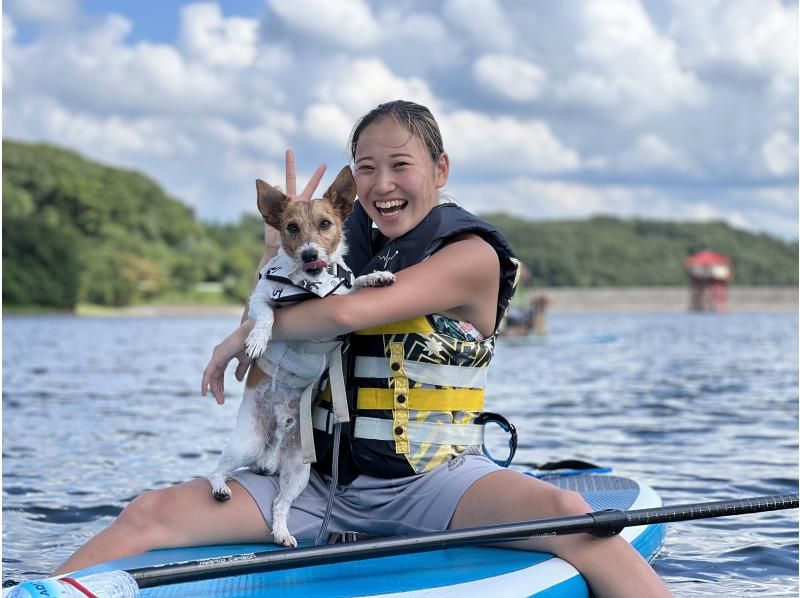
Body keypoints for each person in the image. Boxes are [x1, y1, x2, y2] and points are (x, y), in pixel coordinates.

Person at [55, 100, 670, 597]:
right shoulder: (330, 253)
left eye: (400, 164)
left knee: (567, 515)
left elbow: (346, 313)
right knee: (146, 514)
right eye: (365, 167)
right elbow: (263, 334)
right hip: (314, 482)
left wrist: (244, 332)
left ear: (441, 169)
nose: (381, 184)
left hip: (432, 482)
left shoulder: (471, 256)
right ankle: (42, 591)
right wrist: (277, 253)